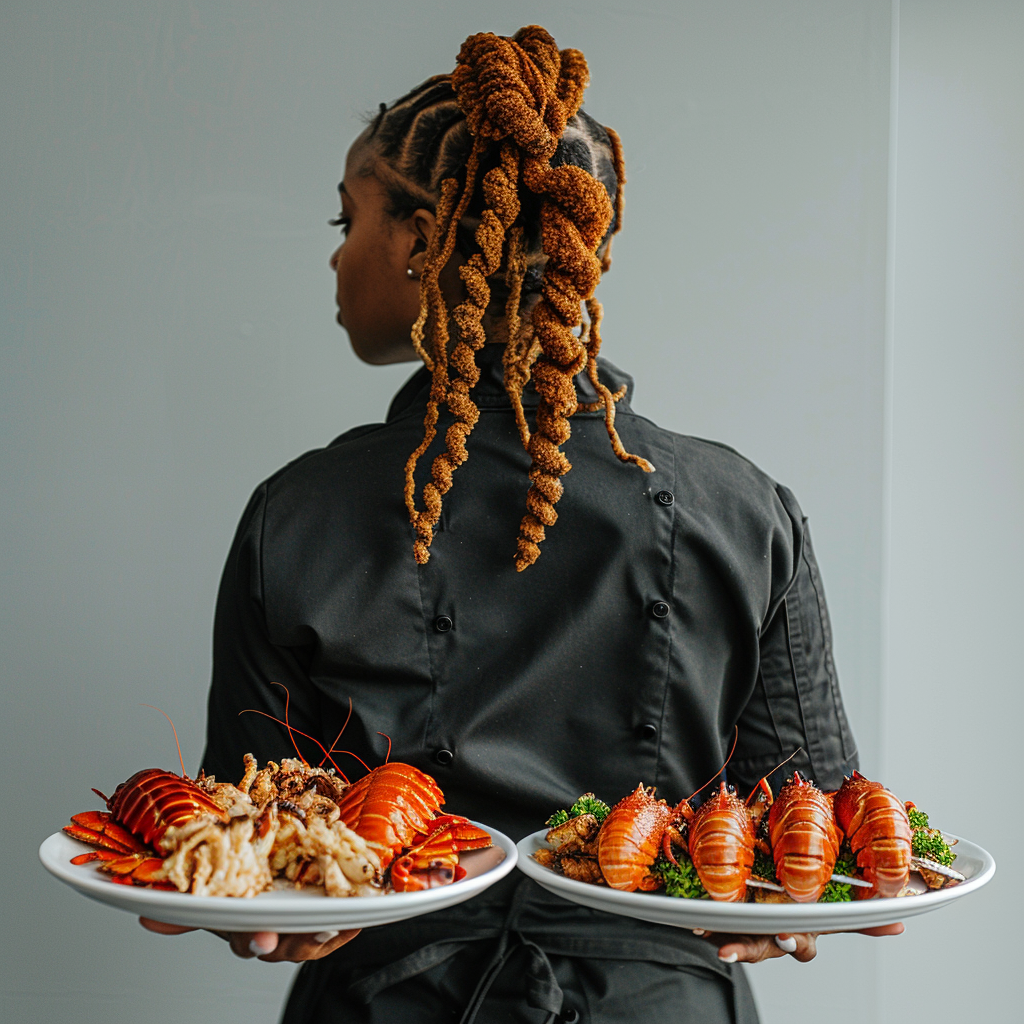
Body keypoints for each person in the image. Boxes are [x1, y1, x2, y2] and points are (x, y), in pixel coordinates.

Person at [142, 25, 902, 1023]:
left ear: (419, 242)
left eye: (348, 218)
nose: (336, 255)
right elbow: (822, 823)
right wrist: (796, 906)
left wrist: (255, 904)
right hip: (664, 1000)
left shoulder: (295, 514)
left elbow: (241, 826)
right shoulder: (747, 509)